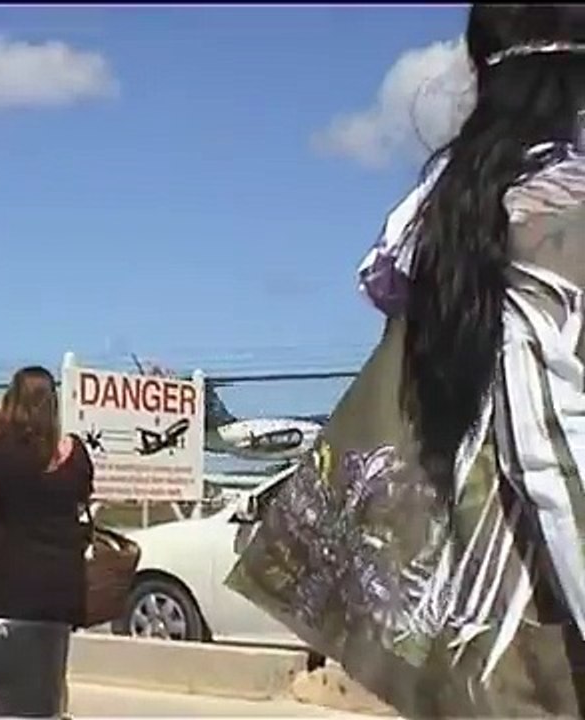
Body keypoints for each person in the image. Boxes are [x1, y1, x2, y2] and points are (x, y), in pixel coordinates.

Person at [227, 5, 585, 717]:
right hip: (547, 651)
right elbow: (556, 454)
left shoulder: (454, 214)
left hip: (475, 644)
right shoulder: (549, 216)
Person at [0, 366, 94, 627]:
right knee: (52, 663)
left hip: (10, 587)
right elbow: (83, 494)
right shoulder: (75, 452)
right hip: (63, 586)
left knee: (10, 664)